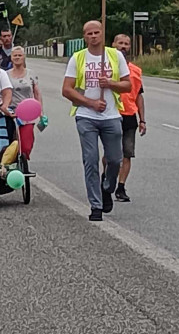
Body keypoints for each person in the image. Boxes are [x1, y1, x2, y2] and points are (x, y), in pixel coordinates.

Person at [61, 20, 132, 222]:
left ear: (102, 34)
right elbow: (66, 89)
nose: (93, 36)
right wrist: (90, 103)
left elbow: (128, 86)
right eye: (89, 33)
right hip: (87, 116)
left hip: (111, 115)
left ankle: (107, 186)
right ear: (84, 37)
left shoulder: (114, 55)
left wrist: (110, 83)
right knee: (91, 160)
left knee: (115, 159)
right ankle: (96, 205)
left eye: (96, 32)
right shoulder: (78, 58)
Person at [111, 33, 146, 203]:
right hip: (111, 114)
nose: (123, 46)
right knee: (111, 155)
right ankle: (107, 176)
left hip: (129, 116)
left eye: (126, 44)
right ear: (113, 45)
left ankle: (121, 187)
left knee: (127, 153)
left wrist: (142, 119)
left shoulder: (136, 71)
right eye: (120, 43)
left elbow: (139, 95)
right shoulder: (107, 67)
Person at [7, 46, 43, 159]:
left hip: (28, 113)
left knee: (26, 144)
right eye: (15, 55)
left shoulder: (31, 74)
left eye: (20, 55)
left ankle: (23, 162)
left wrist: (41, 111)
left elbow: (37, 93)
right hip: (11, 112)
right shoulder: (5, 74)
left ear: (24, 57)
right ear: (11, 58)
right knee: (11, 142)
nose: (17, 57)